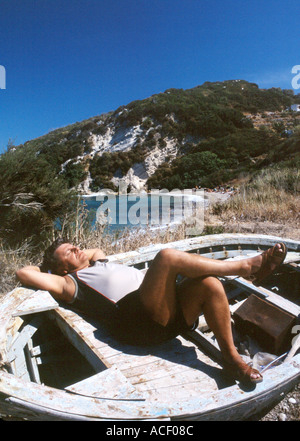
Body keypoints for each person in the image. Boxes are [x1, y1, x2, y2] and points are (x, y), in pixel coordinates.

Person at [16, 238, 287, 385]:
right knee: (167, 257)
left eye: (74, 245)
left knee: (209, 284)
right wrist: (51, 268)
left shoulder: (98, 262)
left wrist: (78, 255)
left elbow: (95, 249)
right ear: (61, 268)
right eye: (69, 252)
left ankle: (233, 360)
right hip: (137, 324)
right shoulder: (68, 283)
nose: (77, 248)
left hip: (165, 316)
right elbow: (23, 273)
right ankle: (244, 269)